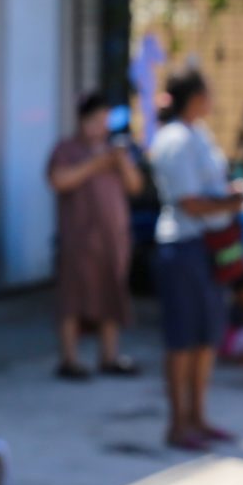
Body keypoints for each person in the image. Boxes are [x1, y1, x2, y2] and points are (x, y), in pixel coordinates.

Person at [146, 68, 242, 449]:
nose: (212, 100)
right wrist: (228, 202)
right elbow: (188, 201)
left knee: (206, 336)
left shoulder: (197, 134)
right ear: (194, 97)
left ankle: (198, 417)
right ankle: (178, 423)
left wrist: (227, 196)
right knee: (182, 339)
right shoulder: (174, 140)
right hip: (183, 246)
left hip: (208, 247)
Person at [46, 90, 144, 380]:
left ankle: (109, 357)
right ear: (82, 121)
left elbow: (136, 187)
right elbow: (59, 180)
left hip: (112, 239)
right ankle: (69, 360)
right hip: (78, 239)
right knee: (72, 299)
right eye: (95, 120)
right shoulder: (66, 150)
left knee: (111, 294)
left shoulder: (116, 151)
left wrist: (120, 162)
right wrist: (94, 164)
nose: (100, 126)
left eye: (104, 120)